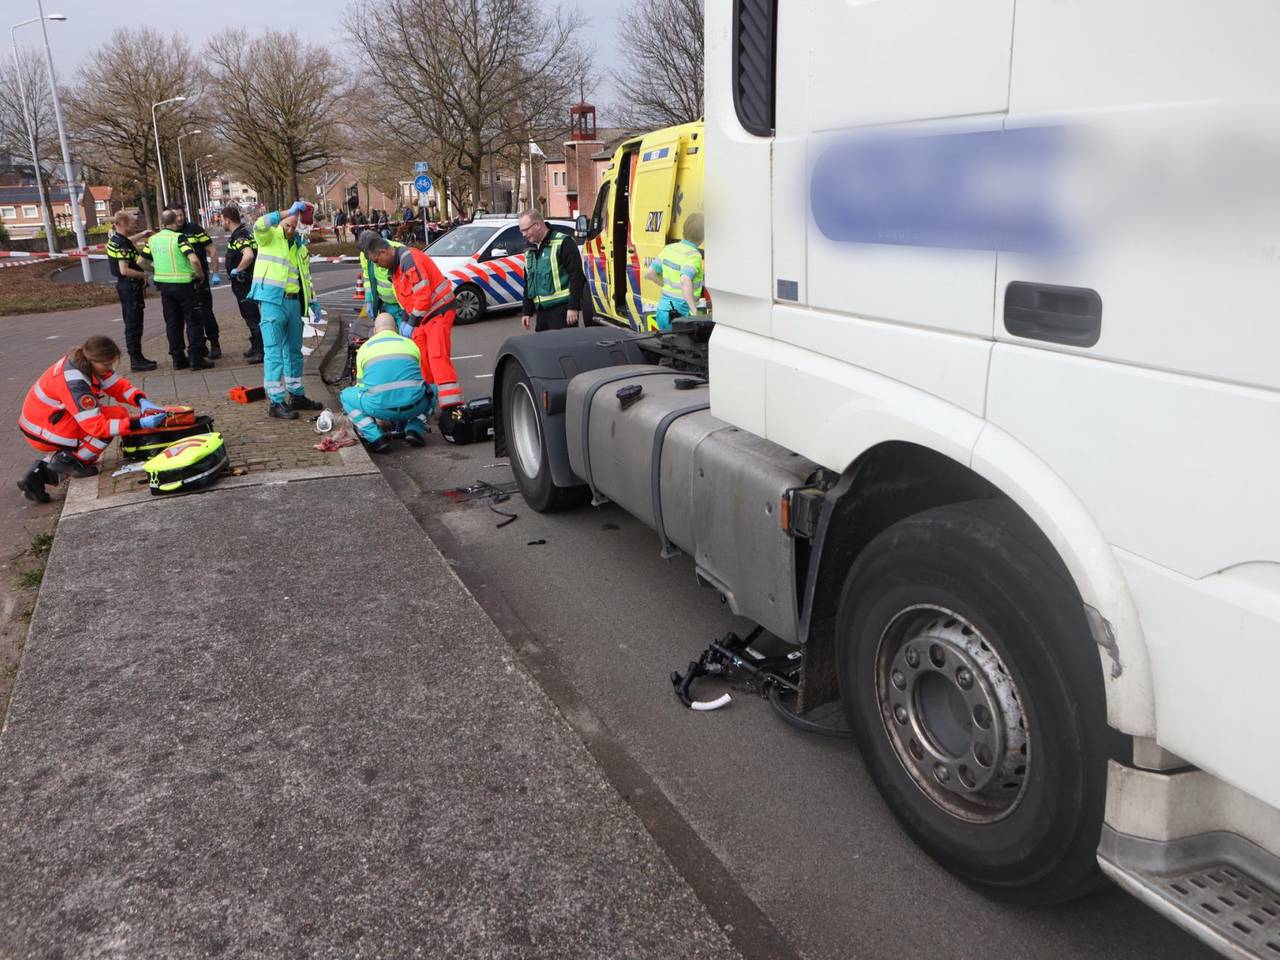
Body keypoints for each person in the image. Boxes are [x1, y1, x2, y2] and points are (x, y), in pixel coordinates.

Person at [15, 336, 167, 502]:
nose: (109, 368)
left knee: (116, 416)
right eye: (107, 365)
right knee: (111, 422)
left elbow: (117, 386)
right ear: (95, 359)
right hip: (43, 429)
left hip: (45, 421)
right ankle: (71, 462)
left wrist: (141, 400)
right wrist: (138, 423)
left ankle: (35, 477)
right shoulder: (76, 383)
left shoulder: (86, 363)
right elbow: (97, 427)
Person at [363, 235, 462, 412]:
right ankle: (429, 404)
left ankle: (452, 408)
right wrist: (409, 320)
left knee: (437, 357)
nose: (377, 265)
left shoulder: (408, 260)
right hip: (423, 317)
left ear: (384, 251)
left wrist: (410, 322)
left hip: (438, 312)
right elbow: (411, 300)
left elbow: (423, 295)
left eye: (377, 260)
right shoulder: (396, 267)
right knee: (422, 360)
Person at [248, 200, 325, 420]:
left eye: (294, 226)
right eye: (287, 225)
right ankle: (276, 401)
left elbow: (305, 278)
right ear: (281, 224)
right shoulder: (269, 237)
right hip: (272, 301)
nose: (290, 229)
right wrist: (285, 212)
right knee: (273, 353)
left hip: (293, 303)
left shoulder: (300, 248)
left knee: (294, 351)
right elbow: (259, 225)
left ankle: (296, 395)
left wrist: (313, 301)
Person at [339, 312, 437, 454]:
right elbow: (419, 380)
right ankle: (414, 429)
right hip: (413, 406)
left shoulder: (365, 349)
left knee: (346, 395)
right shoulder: (411, 345)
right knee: (433, 390)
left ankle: (375, 437)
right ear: (396, 329)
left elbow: (361, 386)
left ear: (374, 331)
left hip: (380, 408)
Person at [138, 208, 212, 370]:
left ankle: (178, 359)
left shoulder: (153, 240)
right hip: (185, 284)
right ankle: (195, 358)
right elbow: (194, 260)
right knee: (193, 321)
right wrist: (200, 275)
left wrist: (156, 269)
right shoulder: (179, 238)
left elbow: (140, 262)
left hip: (164, 286)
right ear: (174, 221)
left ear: (162, 222)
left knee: (173, 323)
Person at [105, 210, 157, 372]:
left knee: (132, 322)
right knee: (134, 324)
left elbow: (127, 240)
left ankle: (138, 357)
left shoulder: (116, 239)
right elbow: (124, 270)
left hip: (126, 287)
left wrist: (142, 234)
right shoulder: (122, 244)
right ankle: (136, 359)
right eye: (133, 223)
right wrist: (144, 274)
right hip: (130, 287)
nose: (135, 225)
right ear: (122, 224)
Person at [519, 209, 585, 332]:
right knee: (544, 349)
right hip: (542, 312)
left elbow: (576, 276)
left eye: (525, 230)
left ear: (537, 225)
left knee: (564, 349)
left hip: (563, 311)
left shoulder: (564, 242)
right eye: (521, 231)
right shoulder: (529, 250)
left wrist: (573, 307)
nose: (523, 234)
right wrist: (526, 311)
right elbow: (529, 282)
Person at [173, 205, 223, 359]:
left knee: (206, 312)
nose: (180, 218)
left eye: (181, 214)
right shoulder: (169, 234)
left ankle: (215, 344)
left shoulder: (194, 229)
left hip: (199, 278)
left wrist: (215, 272)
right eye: (176, 216)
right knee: (190, 316)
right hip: (182, 281)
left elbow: (212, 249)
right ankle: (199, 347)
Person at [644, 213, 705, 332]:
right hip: (680, 314)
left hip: (662, 311)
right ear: (703, 237)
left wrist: (666, 284)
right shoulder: (694, 255)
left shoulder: (668, 249)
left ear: (683, 231)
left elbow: (650, 274)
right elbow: (685, 279)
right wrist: (695, 312)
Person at [222, 205, 263, 364]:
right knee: (249, 315)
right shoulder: (244, 233)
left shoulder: (239, 236)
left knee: (252, 316)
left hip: (244, 282)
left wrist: (237, 270)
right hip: (247, 281)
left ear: (227, 220)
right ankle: (255, 345)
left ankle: (260, 351)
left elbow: (248, 255)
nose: (221, 223)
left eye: (222, 220)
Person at [356, 230, 407, 332]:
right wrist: (369, 299)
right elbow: (367, 276)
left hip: (402, 305)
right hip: (385, 304)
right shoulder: (365, 255)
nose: (369, 258)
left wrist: (407, 314)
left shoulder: (397, 251)